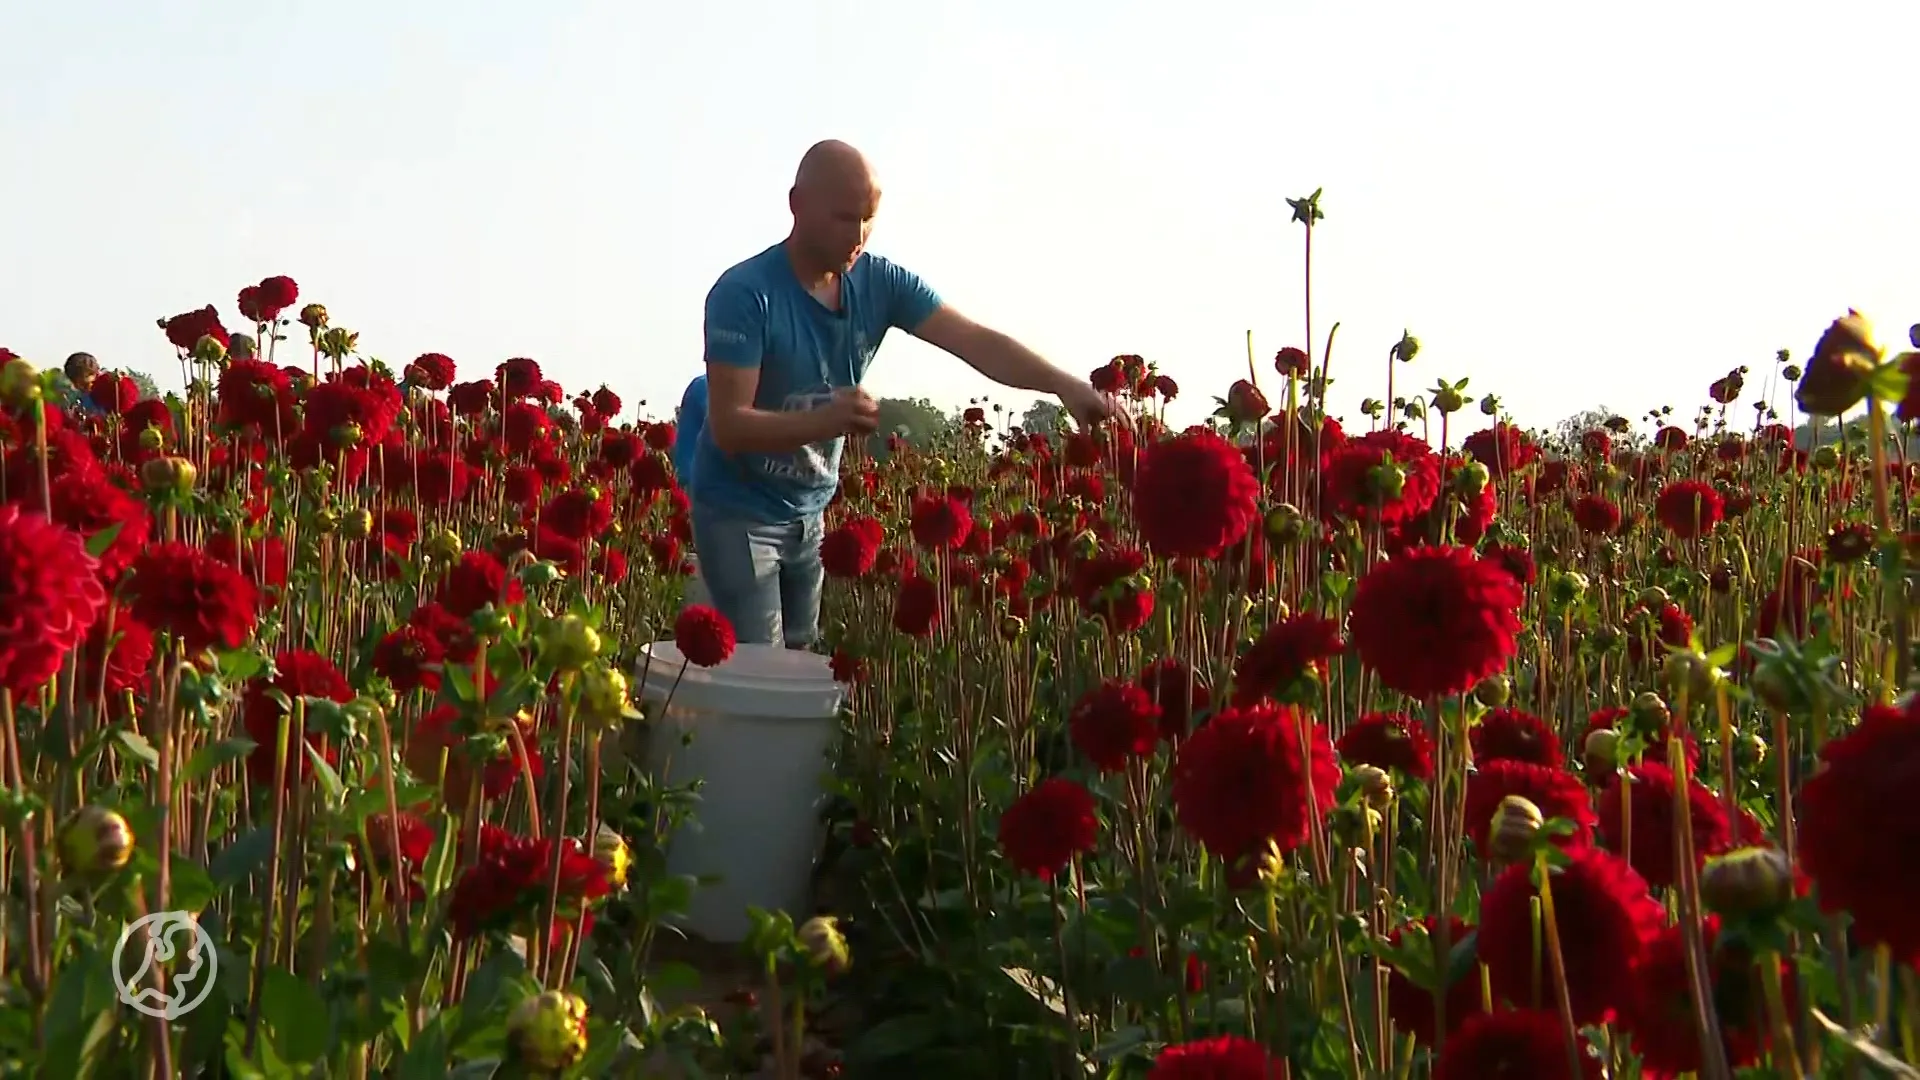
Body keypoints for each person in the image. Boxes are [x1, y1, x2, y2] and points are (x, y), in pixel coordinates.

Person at [689, 139, 1126, 649]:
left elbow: (977, 341)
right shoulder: (745, 294)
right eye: (843, 218)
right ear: (797, 205)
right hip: (738, 511)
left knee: (799, 655)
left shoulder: (882, 282)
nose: (858, 236)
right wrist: (826, 420)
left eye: (869, 219)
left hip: (809, 511)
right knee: (761, 662)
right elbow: (730, 426)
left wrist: (1063, 384)